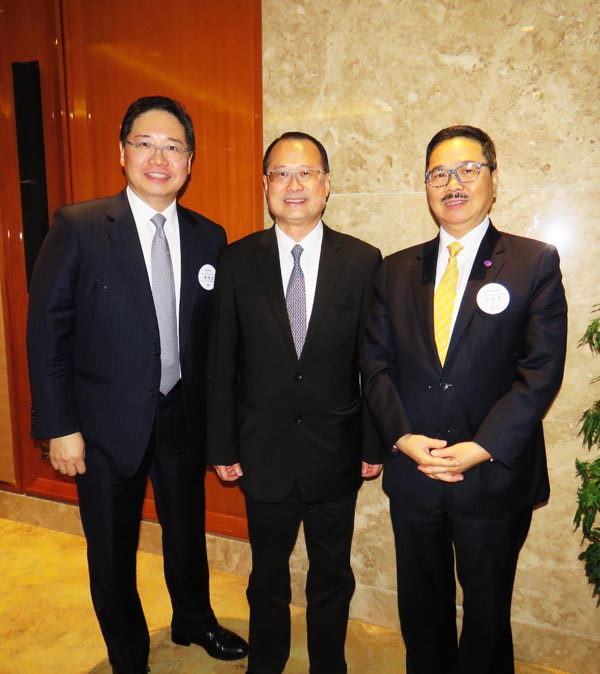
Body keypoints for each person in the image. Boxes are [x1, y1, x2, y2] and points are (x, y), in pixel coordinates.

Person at [26, 96, 248, 674]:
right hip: (101, 425)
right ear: (122, 152)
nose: (159, 157)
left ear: (190, 162)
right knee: (112, 550)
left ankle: (193, 620)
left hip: (181, 417)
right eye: (145, 143)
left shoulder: (209, 237)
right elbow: (47, 333)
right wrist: (59, 427)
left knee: (186, 533)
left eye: (173, 147)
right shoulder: (78, 226)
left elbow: (215, 341)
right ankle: (128, 657)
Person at [361, 125, 568, 674]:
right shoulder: (394, 269)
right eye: (438, 174)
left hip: (493, 477)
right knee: (421, 615)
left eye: (468, 170)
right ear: (426, 186)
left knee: (486, 620)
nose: (452, 183)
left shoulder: (533, 262)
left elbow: (540, 371)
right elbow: (375, 364)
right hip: (415, 475)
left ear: (494, 180)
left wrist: (482, 447)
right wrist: (403, 438)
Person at [206, 131, 383, 674]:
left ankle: (328, 664)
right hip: (263, 453)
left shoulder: (363, 260)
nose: (294, 184)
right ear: (265, 185)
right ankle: (267, 663)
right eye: (281, 173)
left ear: (326, 185)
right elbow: (222, 361)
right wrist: (222, 445)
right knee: (266, 577)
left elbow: (373, 363)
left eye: (306, 173)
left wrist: (373, 443)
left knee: (332, 575)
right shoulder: (237, 260)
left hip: (337, 451)